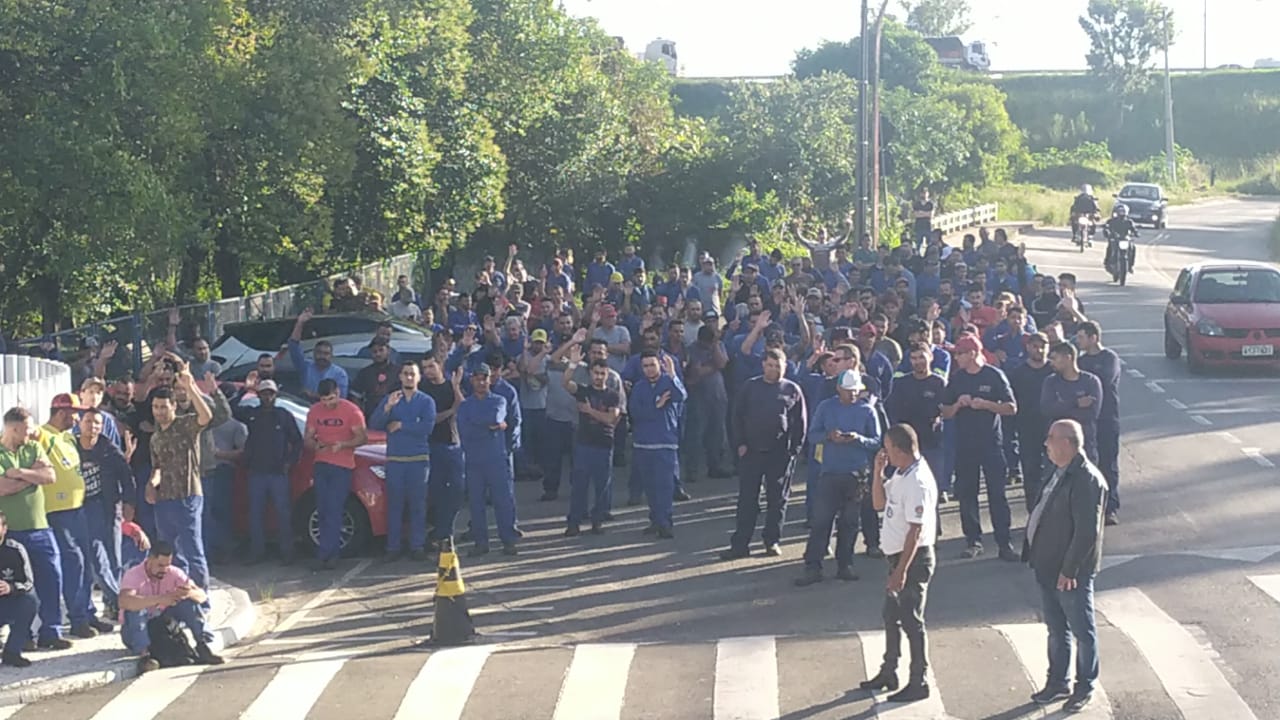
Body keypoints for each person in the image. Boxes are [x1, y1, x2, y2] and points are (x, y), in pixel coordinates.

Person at [1023, 419, 1107, 715]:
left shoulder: (1085, 479)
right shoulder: (1058, 470)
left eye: (1051, 438)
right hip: (1047, 565)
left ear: (1067, 443)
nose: (1045, 443)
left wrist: (1069, 570)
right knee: (1057, 629)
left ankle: (1085, 686)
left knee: (1082, 630)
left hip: (1068, 572)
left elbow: (1086, 532)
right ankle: (1058, 681)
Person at [861, 424, 939, 703]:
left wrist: (901, 571)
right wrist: (878, 473)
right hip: (896, 558)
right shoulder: (900, 473)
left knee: (911, 620)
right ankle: (889, 670)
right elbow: (879, 504)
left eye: (888, 447)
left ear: (899, 448)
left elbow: (915, 531)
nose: (885, 452)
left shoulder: (917, 481)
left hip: (913, 560)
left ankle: (919, 679)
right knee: (890, 616)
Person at [796, 369, 881, 586]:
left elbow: (876, 441)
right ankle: (813, 566)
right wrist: (828, 436)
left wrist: (858, 439)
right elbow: (812, 435)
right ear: (838, 389)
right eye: (848, 390)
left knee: (850, 523)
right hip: (830, 473)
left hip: (856, 474)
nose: (852, 394)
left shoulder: (867, 410)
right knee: (821, 521)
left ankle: (845, 564)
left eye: (855, 391)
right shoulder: (826, 407)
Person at [721, 348, 807, 560]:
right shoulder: (750, 387)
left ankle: (772, 541)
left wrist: (794, 450)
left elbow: (800, 423)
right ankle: (740, 544)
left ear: (785, 367)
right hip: (751, 452)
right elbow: (736, 417)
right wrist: (740, 443)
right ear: (763, 365)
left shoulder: (792, 390)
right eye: (770, 365)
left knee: (777, 500)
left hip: (780, 453)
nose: (774, 369)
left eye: (778, 366)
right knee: (747, 500)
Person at [942, 335, 1018, 561]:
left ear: (973, 353)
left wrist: (986, 404)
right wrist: (958, 404)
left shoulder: (993, 375)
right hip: (965, 444)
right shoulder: (957, 379)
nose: (957, 358)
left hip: (991, 443)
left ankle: (1004, 542)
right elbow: (945, 412)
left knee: (997, 494)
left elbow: (1011, 407)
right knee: (967, 494)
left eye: (960, 354)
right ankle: (973, 540)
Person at [147, 369, 216, 596]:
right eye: (156, 407)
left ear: (173, 406)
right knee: (169, 553)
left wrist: (191, 387)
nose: (159, 411)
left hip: (188, 495)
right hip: (165, 499)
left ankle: (201, 598)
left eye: (163, 407)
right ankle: (176, 594)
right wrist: (151, 484)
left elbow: (206, 417)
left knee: (193, 550)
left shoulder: (185, 425)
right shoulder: (155, 438)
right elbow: (157, 468)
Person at [119, 540, 224, 673]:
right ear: (150, 559)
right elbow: (124, 601)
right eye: (160, 565)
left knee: (188, 603)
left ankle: (202, 646)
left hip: (162, 625)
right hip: (135, 629)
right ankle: (144, 656)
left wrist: (187, 593)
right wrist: (159, 599)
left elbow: (202, 596)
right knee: (136, 610)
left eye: (167, 565)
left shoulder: (174, 573)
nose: (164, 570)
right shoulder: (133, 575)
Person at [370, 361, 437, 562]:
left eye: (412, 374)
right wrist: (387, 408)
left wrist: (401, 425)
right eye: (405, 373)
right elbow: (374, 424)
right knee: (395, 506)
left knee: (418, 505)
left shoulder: (426, 401)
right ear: (400, 376)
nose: (409, 377)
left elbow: (427, 428)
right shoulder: (391, 399)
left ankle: (417, 546)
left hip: (418, 460)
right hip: (395, 460)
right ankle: (393, 547)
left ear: (419, 377)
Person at [235, 378, 303, 566]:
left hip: (278, 474)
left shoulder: (284, 415)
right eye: (264, 393)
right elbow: (231, 409)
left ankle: (287, 552)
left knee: (283, 513)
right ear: (258, 395)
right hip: (256, 472)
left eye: (270, 393)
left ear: (275, 395)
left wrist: (290, 462)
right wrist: (245, 389)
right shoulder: (252, 414)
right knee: (255, 514)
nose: (267, 397)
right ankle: (257, 552)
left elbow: (297, 441)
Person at [304, 379, 368, 570]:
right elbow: (308, 437)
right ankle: (324, 552)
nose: (327, 404)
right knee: (322, 509)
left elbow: (362, 438)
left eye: (331, 399)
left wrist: (344, 445)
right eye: (324, 400)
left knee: (334, 508)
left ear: (338, 393)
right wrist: (315, 445)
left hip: (342, 466)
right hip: (321, 464)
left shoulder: (351, 411)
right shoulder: (315, 411)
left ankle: (330, 553)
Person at [456, 364, 518, 556]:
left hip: (496, 459)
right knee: (476, 504)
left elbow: (495, 417)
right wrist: (490, 426)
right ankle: (480, 543)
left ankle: (508, 540)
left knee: (503, 502)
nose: (481, 382)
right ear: (472, 380)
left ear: (490, 379)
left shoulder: (499, 400)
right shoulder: (465, 405)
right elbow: (464, 431)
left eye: (485, 378)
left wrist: (484, 423)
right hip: (474, 461)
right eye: (477, 378)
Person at [628, 352, 686, 539]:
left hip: (665, 443)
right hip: (643, 444)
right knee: (650, 487)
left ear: (659, 365)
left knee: (665, 486)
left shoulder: (669, 382)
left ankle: (665, 523)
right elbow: (635, 412)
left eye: (652, 365)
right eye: (645, 366)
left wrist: (673, 374)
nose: (649, 369)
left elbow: (681, 396)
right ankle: (655, 520)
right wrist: (657, 405)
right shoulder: (639, 387)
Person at [563, 354, 622, 536]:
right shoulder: (583, 391)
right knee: (579, 486)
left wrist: (589, 411)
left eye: (602, 373)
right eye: (596, 373)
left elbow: (611, 418)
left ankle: (598, 520)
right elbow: (565, 383)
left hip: (604, 444)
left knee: (602, 486)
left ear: (607, 374)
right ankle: (574, 522)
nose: (599, 377)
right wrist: (572, 364)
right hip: (584, 444)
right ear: (590, 373)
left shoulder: (612, 395)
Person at [1076, 322, 1122, 526]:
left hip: (1107, 418)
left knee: (1108, 463)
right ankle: (1090, 506)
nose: (1078, 341)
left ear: (1093, 337)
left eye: (1082, 337)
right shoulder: (1081, 361)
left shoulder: (1109, 358)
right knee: (1087, 465)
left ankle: (1110, 507)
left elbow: (1104, 381)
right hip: (1086, 421)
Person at [1040, 343, 1104, 462]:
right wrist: (1075, 403)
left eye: (1054, 358)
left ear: (1068, 358)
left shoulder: (1091, 381)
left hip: (1085, 445)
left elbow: (1091, 415)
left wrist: (1061, 407)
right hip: (1057, 448)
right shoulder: (1050, 382)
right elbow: (1047, 410)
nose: (1051, 363)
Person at [0, 511, 39, 667]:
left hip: (8, 602)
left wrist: (10, 587)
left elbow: (28, 582)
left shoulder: (15, 549)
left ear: (4, 528)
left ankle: (12, 652)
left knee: (30, 601)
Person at [1102, 204, 1138, 275]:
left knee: (1133, 248)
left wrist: (1136, 233)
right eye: (1120, 211)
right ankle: (1107, 262)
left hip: (1125, 239)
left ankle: (1130, 265)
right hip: (1115, 239)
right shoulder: (1112, 221)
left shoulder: (1129, 222)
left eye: (1123, 211)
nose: (1122, 213)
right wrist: (1107, 232)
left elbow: (1134, 229)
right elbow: (1106, 227)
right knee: (1110, 248)